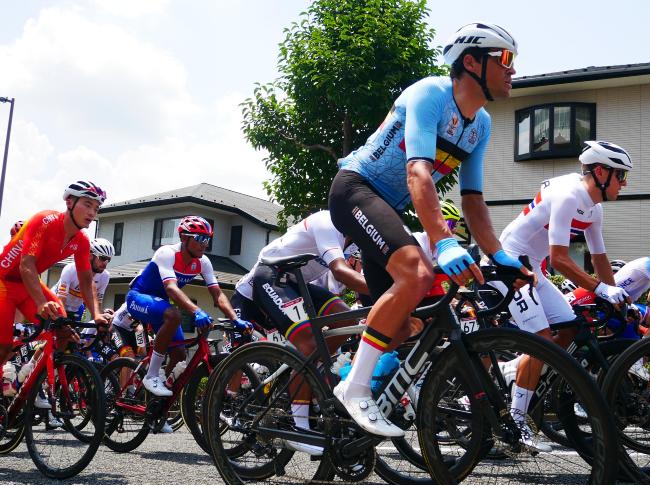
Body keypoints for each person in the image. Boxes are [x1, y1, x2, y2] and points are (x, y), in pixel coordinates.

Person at [328, 22, 531, 437]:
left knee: (407, 322)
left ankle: (344, 377)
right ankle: (355, 386)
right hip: (355, 188)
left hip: (386, 205)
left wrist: (499, 255)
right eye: (505, 59)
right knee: (416, 273)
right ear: (472, 62)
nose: (513, 70)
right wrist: (442, 241)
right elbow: (418, 171)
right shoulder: (431, 93)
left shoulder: (482, 124)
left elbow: (473, 200)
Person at [497, 140, 632, 450]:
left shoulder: (594, 208)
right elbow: (559, 258)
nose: (624, 184)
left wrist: (616, 297)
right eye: (621, 176)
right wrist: (600, 289)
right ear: (601, 172)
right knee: (542, 339)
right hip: (508, 263)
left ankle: (515, 368)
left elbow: (599, 259)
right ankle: (516, 422)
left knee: (570, 328)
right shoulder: (569, 194)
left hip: (533, 270)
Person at [231, 210, 368, 455]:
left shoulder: (353, 242)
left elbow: (338, 287)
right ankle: (298, 424)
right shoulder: (328, 222)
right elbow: (338, 270)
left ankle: (309, 371)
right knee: (307, 346)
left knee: (347, 318)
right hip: (272, 278)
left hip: (299, 284)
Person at [126, 215, 250, 397]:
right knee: (175, 315)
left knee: (179, 356)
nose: (204, 244)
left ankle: (155, 405)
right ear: (184, 238)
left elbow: (217, 294)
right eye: (200, 239)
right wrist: (197, 311)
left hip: (162, 306)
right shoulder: (167, 253)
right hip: (139, 297)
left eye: (207, 239)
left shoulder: (203, 262)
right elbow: (170, 288)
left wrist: (235, 318)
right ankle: (151, 375)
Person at [0, 181, 109, 372]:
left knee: (64, 330)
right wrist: (41, 302)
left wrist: (97, 314)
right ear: (69, 202)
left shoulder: (82, 241)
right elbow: (26, 265)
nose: (92, 213)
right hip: (5, 282)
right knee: (4, 345)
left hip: (27, 285)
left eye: (96, 208)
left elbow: (86, 282)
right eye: (87, 204)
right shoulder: (44, 220)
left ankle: (32, 377)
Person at [52, 238, 114, 320]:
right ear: (90, 256)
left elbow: (97, 303)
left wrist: (102, 317)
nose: (105, 263)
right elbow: (61, 298)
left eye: (108, 260)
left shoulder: (105, 276)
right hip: (56, 303)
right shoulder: (71, 269)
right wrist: (62, 320)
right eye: (102, 258)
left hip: (76, 309)